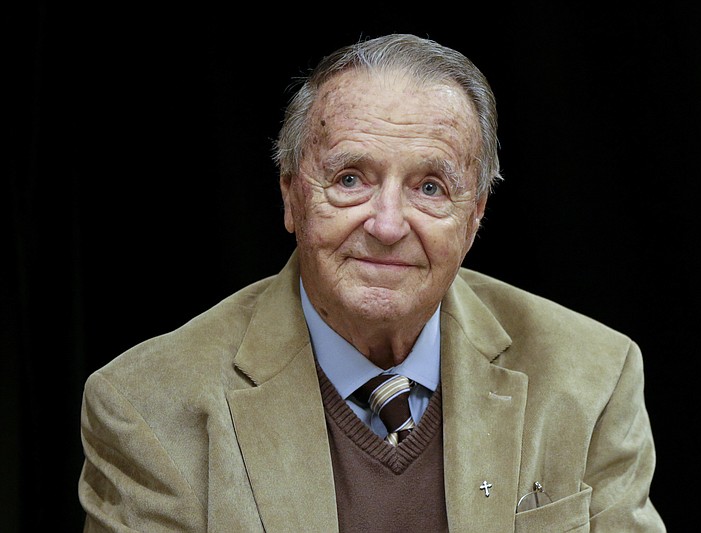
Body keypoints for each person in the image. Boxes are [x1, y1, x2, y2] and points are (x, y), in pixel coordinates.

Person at [78, 33, 666, 532]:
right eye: (352, 178)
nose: (387, 225)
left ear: (475, 215)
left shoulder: (592, 377)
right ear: (291, 195)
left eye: (430, 187)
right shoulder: (147, 409)